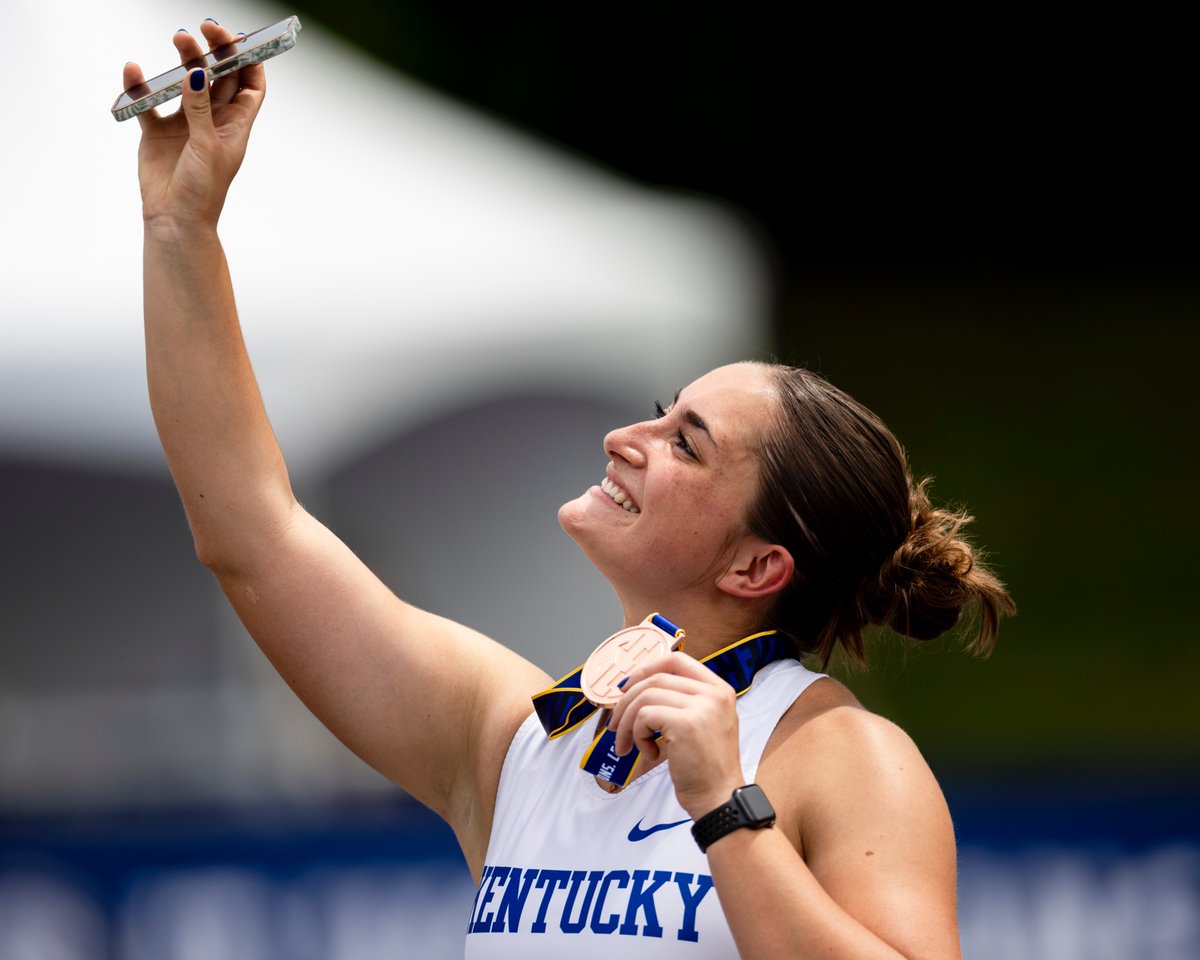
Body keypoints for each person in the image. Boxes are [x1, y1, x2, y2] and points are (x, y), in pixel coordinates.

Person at [125, 21, 1014, 959]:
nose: (626, 439)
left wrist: (724, 806)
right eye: (660, 412)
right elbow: (253, 531)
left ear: (760, 564)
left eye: (688, 444)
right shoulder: (517, 739)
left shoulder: (841, 757)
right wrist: (180, 228)